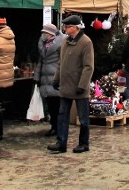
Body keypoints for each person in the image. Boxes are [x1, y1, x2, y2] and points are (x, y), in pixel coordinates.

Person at [48, 14, 94, 154]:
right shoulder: (65, 42)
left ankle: (83, 144)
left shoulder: (86, 42)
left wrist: (82, 85)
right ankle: (61, 142)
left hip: (79, 86)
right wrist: (56, 79)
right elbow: (61, 63)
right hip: (66, 85)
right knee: (62, 115)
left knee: (83, 118)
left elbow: (88, 66)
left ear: (75, 28)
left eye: (67, 27)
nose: (64, 29)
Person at [34, 23, 64, 138]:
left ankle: (58, 127)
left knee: (57, 105)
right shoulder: (43, 44)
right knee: (51, 106)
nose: (43, 35)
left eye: (45, 33)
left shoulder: (60, 44)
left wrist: (61, 76)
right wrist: (37, 77)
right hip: (45, 79)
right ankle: (53, 126)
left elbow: (63, 61)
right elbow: (40, 62)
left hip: (55, 78)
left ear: (50, 33)